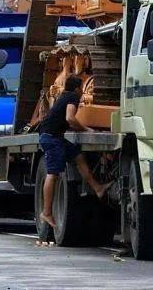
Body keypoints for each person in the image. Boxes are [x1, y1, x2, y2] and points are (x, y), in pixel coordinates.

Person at [36, 74, 111, 230]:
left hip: (54, 136)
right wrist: (86, 129)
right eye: (82, 88)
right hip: (51, 138)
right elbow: (70, 118)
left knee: (78, 157)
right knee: (53, 174)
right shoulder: (72, 97)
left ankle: (97, 188)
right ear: (78, 88)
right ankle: (47, 212)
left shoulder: (64, 95)